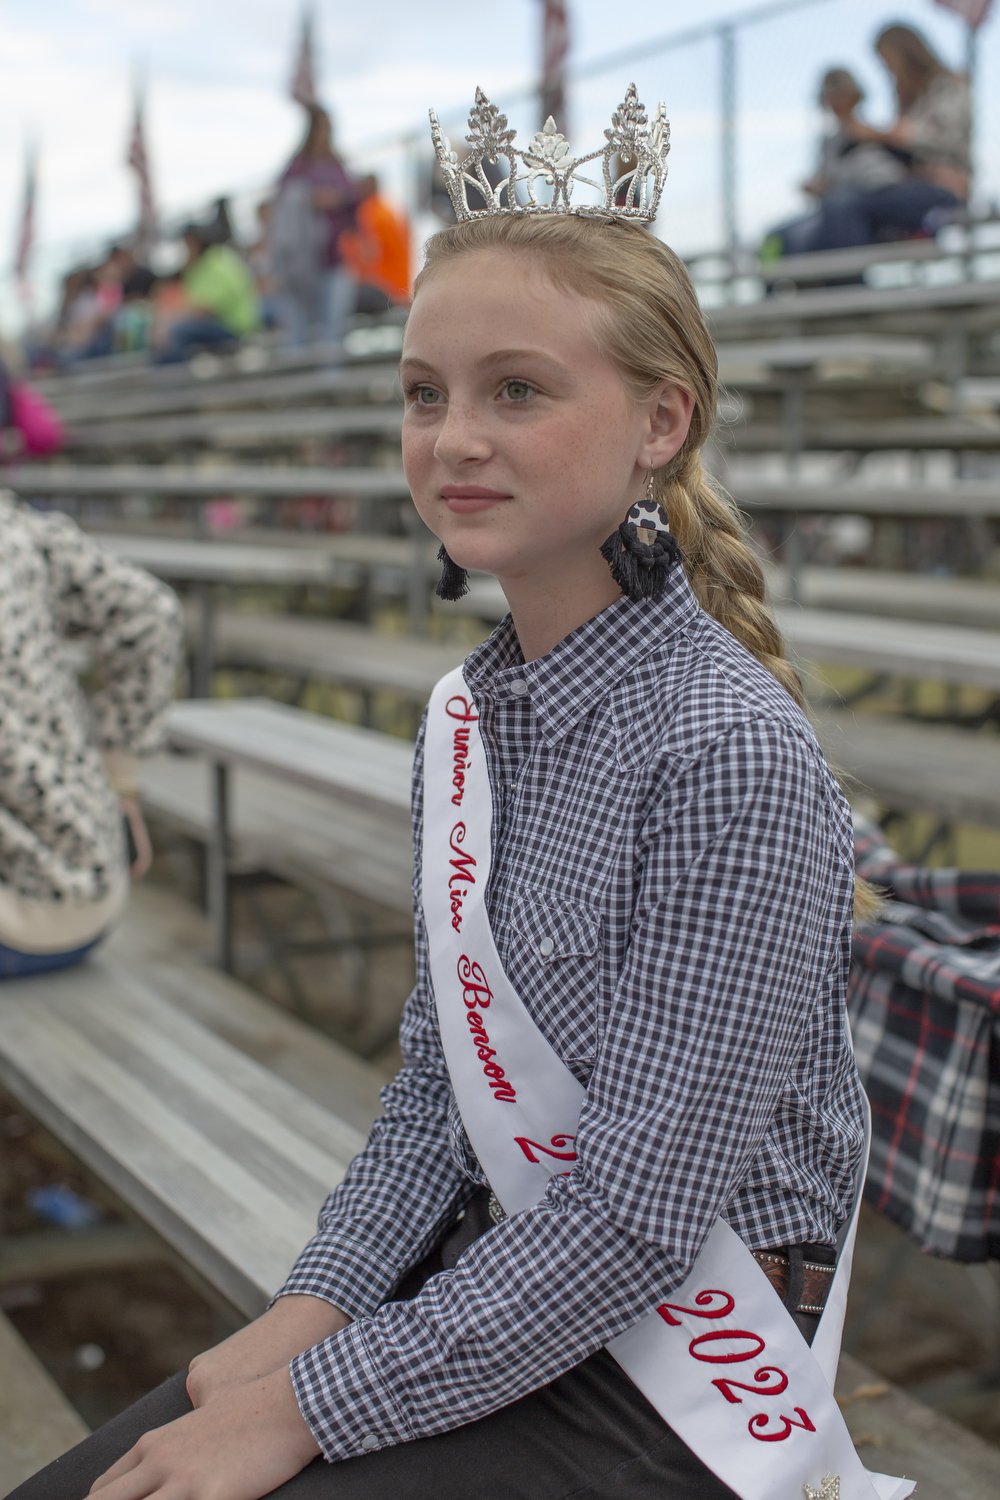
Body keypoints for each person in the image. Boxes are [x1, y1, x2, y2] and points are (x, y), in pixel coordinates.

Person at [11, 85, 899, 1500]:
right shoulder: (471, 715)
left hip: (679, 1363)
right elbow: (439, 1088)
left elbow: (635, 1220)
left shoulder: (724, 746)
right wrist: (309, 1312)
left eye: (519, 390)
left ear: (660, 421)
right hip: (500, 1275)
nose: (456, 437)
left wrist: (311, 1406)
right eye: (426, 393)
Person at [0, 492, 183, 978]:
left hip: (18, 915)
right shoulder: (21, 526)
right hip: (92, 890)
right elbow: (151, 612)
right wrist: (120, 782)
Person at [782, 22, 970, 255]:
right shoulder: (905, 101)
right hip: (908, 185)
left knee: (843, 208)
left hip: (940, 190)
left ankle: (848, 288)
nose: (888, 72)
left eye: (888, 63)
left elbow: (934, 137)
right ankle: (830, 285)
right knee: (791, 234)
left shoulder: (947, 87)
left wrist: (878, 135)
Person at [762, 66, 910, 260]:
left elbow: (888, 178)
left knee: (836, 217)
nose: (835, 102)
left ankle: (846, 283)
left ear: (854, 96)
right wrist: (819, 186)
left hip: (865, 210)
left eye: (840, 94)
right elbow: (825, 180)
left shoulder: (875, 135)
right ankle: (778, 287)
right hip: (829, 212)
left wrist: (837, 186)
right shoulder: (829, 143)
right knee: (775, 238)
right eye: (830, 95)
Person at [271, 105, 364, 348]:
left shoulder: (337, 165)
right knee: (298, 331)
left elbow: (353, 203)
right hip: (302, 264)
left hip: (335, 259)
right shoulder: (299, 166)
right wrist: (311, 199)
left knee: (334, 330)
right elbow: (281, 205)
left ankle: (330, 382)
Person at [151, 221, 260, 364]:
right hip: (220, 324)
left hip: (234, 327)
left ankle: (179, 382)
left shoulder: (216, 263)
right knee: (166, 333)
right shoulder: (201, 266)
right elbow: (189, 305)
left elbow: (207, 308)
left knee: (176, 333)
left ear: (194, 242)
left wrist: (170, 325)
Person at [339, 173, 413, 314]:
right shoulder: (388, 209)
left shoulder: (368, 212)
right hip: (400, 287)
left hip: (382, 288)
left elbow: (369, 252)